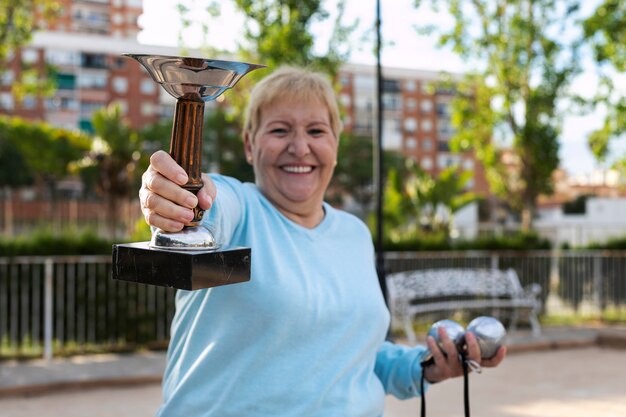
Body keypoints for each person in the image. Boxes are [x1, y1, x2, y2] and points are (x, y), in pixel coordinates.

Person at [139, 66, 506, 417]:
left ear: (336, 144)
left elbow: (358, 354)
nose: (300, 148)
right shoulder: (238, 208)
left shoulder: (354, 233)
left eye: (316, 131)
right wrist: (175, 198)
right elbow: (205, 205)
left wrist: (428, 365)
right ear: (250, 145)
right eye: (280, 131)